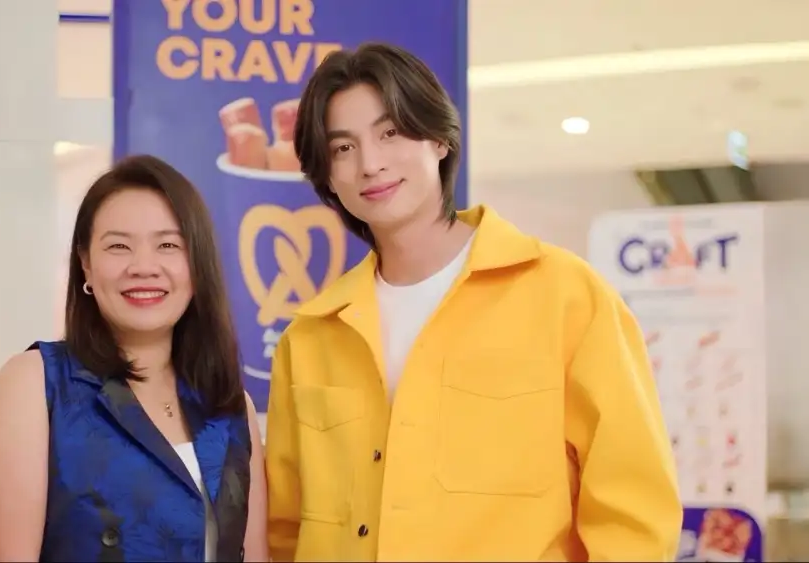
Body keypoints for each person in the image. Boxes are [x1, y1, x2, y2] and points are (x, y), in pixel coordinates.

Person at [265, 43, 682, 561]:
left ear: (438, 139)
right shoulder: (309, 336)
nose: (370, 164)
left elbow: (635, 518)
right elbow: (287, 530)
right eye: (343, 148)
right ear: (326, 175)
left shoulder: (567, 296)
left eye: (390, 133)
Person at [0, 155, 268, 562]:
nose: (144, 267)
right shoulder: (36, 383)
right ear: (86, 264)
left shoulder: (232, 407)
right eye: (118, 246)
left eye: (168, 245)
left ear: (197, 265)